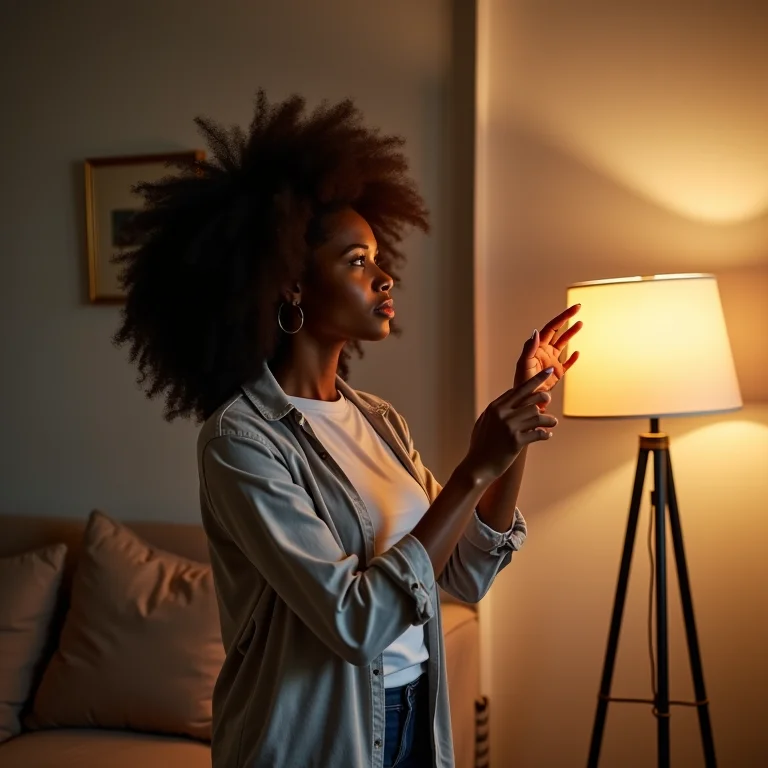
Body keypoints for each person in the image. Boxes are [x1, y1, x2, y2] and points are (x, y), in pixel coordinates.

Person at [112, 90, 582, 768]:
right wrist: (473, 469)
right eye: (356, 261)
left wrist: (516, 429)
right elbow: (354, 622)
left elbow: (467, 575)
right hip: (316, 741)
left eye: (376, 256)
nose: (383, 275)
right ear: (293, 285)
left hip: (416, 714)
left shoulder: (377, 420)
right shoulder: (241, 442)